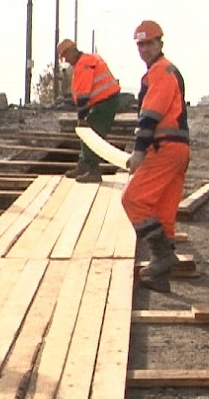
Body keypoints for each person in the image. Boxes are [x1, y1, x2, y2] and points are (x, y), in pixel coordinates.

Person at [122, 20, 189, 293]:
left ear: (161, 43)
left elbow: (152, 114)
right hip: (178, 149)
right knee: (162, 211)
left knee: (133, 199)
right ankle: (159, 275)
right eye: (141, 45)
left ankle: (162, 256)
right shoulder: (166, 71)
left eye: (150, 43)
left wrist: (139, 151)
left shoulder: (161, 72)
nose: (145, 49)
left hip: (165, 147)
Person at [56, 38, 122, 183]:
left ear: (72, 51)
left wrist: (81, 118)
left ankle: (93, 171)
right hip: (104, 101)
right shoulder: (87, 60)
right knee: (87, 132)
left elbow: (83, 95)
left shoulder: (84, 64)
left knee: (91, 132)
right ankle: (84, 165)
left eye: (66, 56)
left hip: (106, 102)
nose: (66, 60)